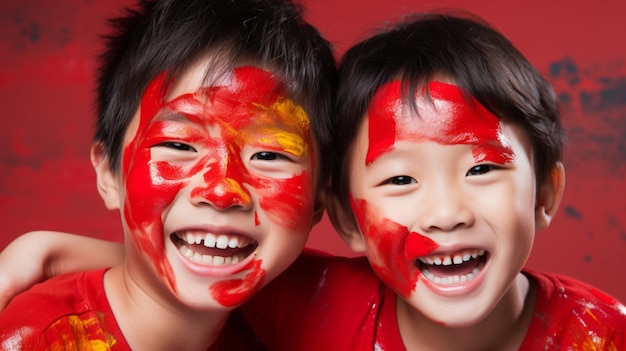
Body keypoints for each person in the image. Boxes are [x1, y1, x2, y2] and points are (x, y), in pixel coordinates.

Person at [2, 11, 625, 351]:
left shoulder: (604, 334)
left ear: (545, 194)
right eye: (177, 144)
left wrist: (45, 249)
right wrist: (39, 251)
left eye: (482, 169)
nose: (446, 212)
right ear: (346, 215)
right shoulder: (303, 302)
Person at [0, 0, 337, 349]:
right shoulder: (39, 338)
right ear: (108, 172)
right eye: (179, 146)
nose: (221, 190)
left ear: (319, 198)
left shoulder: (277, 324)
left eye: (268, 154)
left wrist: (46, 251)